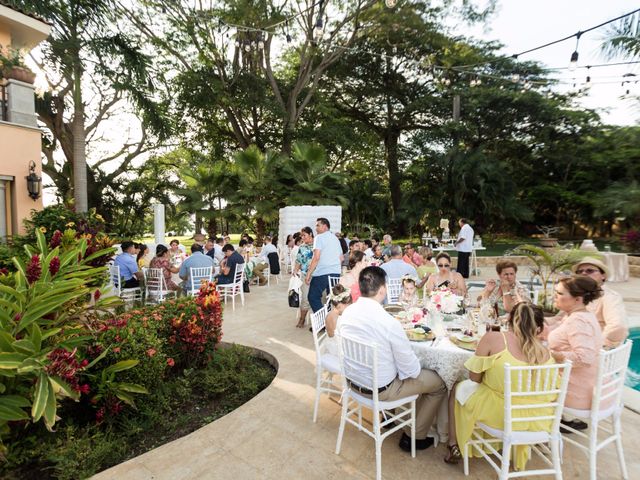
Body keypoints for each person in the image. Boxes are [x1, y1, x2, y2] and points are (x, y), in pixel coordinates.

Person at [339, 266, 447, 452]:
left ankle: (391, 417)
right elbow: (412, 371)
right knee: (440, 383)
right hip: (380, 390)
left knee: (393, 368)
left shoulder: (347, 313)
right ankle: (415, 437)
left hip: (353, 383)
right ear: (383, 289)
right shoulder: (388, 322)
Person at [444, 303, 554, 469]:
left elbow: (475, 378)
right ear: (538, 328)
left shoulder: (493, 338)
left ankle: (454, 445)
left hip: (500, 413)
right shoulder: (544, 352)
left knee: (457, 387)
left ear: (508, 319)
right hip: (536, 417)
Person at [545, 276, 603, 423]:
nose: (554, 296)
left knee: (521, 380)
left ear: (578, 299)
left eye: (559, 293)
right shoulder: (582, 315)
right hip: (587, 385)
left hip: (578, 393)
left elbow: (584, 358)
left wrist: (551, 355)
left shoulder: (578, 321)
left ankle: (535, 429)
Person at [572, 257, 628, 348]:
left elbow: (618, 327)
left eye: (590, 270)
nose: (583, 273)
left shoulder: (609, 297)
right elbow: (559, 318)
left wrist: (597, 345)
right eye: (579, 271)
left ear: (603, 276)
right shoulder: (576, 295)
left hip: (588, 351)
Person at [306, 218, 343, 313]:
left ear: (325, 226)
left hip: (322, 272)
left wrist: (309, 273)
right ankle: (331, 322)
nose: (316, 228)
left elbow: (316, 257)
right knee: (332, 299)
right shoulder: (335, 239)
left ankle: (323, 322)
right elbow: (341, 258)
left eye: (318, 225)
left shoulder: (319, 237)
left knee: (313, 297)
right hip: (335, 273)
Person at [323, 284, 353, 356]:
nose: (350, 307)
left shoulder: (330, 314)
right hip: (338, 351)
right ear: (342, 305)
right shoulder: (339, 319)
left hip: (333, 344)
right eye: (349, 305)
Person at [293, 227, 314, 328]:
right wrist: (295, 271)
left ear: (310, 234)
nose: (302, 237)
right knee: (305, 298)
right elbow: (298, 261)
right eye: (301, 235)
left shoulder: (318, 245)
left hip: (317, 275)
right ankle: (302, 319)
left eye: (304, 235)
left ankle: (319, 321)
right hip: (305, 275)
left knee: (320, 299)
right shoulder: (302, 247)